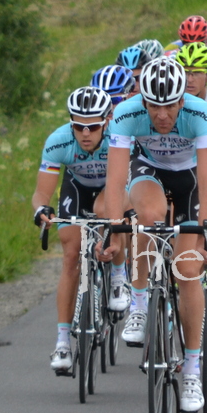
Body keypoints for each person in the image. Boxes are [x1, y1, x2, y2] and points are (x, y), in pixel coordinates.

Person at [101, 58, 207, 413]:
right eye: (154, 105)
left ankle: (193, 371)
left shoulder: (200, 114)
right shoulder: (126, 113)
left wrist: (205, 235)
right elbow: (115, 179)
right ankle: (139, 303)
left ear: (182, 101)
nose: (163, 114)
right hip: (148, 169)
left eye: (170, 105)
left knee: (187, 271)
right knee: (147, 217)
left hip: (191, 177)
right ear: (142, 100)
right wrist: (112, 228)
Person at [34, 87, 127, 374]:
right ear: (70, 123)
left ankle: (118, 277)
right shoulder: (59, 141)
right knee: (71, 256)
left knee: (109, 215)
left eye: (93, 126)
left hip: (112, 188)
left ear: (106, 122)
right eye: (78, 126)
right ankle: (62, 342)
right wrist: (42, 211)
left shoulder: (119, 140)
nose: (85, 133)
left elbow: (129, 184)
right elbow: (41, 194)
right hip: (77, 188)